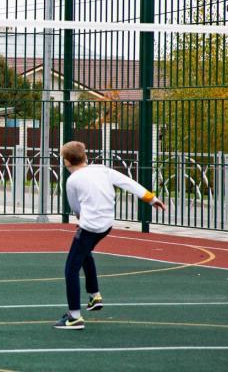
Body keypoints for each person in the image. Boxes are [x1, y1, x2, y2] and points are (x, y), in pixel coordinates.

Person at [55, 140, 166, 330]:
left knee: (70, 269)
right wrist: (151, 199)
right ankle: (94, 295)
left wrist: (81, 219)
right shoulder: (102, 170)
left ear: (66, 162)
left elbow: (75, 206)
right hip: (106, 225)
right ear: (86, 157)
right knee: (85, 254)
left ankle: (74, 317)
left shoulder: (72, 180)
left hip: (89, 226)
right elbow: (128, 183)